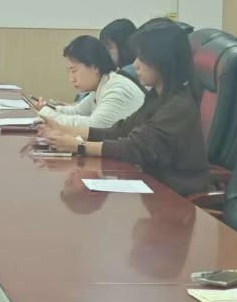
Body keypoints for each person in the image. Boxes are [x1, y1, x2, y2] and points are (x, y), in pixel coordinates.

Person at [40, 20, 208, 196]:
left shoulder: (178, 107)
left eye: (142, 58)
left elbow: (134, 147)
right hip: (149, 184)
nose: (135, 65)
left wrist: (79, 146)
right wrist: (63, 129)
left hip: (174, 197)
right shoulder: (156, 97)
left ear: (162, 60)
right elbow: (120, 130)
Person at [37, 36, 144, 129]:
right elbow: (75, 111)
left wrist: (46, 113)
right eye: (68, 71)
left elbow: (92, 126)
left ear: (94, 67)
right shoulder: (102, 85)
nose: (71, 79)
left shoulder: (117, 89)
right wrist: (47, 109)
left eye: (74, 71)